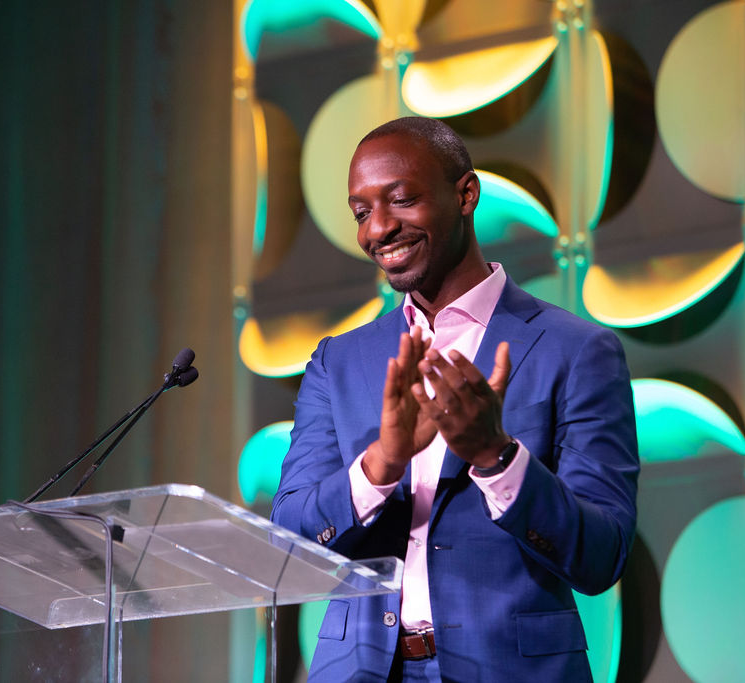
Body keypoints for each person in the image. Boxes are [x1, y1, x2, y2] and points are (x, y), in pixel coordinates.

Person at [271, 116, 639, 682]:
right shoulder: (338, 361)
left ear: (465, 194)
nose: (379, 229)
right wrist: (381, 464)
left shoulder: (577, 350)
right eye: (362, 212)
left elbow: (601, 555)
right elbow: (289, 540)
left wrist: (497, 457)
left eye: (401, 200)